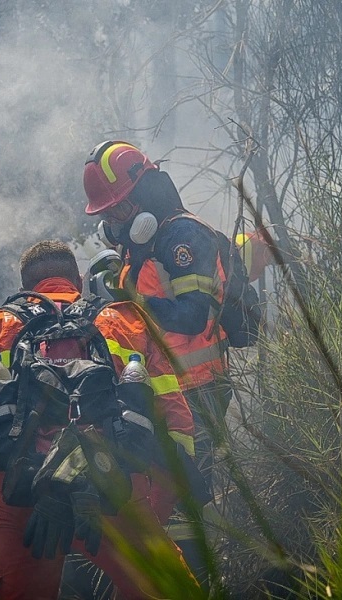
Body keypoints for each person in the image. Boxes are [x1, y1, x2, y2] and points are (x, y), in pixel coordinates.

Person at [0, 240, 197, 600]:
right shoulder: (125, 321)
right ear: (78, 279)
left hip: (13, 492)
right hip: (108, 482)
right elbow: (176, 423)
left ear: (26, 286)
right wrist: (147, 506)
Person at [82, 140, 238, 589]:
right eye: (108, 214)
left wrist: (127, 296)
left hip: (198, 390)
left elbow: (193, 316)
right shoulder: (144, 244)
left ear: (146, 192)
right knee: (160, 500)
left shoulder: (181, 236)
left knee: (183, 504)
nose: (114, 222)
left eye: (118, 208)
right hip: (167, 392)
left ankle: (194, 585)